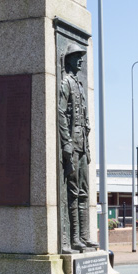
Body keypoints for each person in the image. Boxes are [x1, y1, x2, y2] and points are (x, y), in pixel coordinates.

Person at [58, 44, 99, 252]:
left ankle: (84, 235)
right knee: (73, 192)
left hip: (83, 143)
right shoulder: (65, 82)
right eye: (77, 57)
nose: (81, 61)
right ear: (69, 60)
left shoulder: (80, 85)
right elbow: (61, 113)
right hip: (72, 143)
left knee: (84, 191)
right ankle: (73, 238)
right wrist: (66, 142)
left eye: (82, 57)